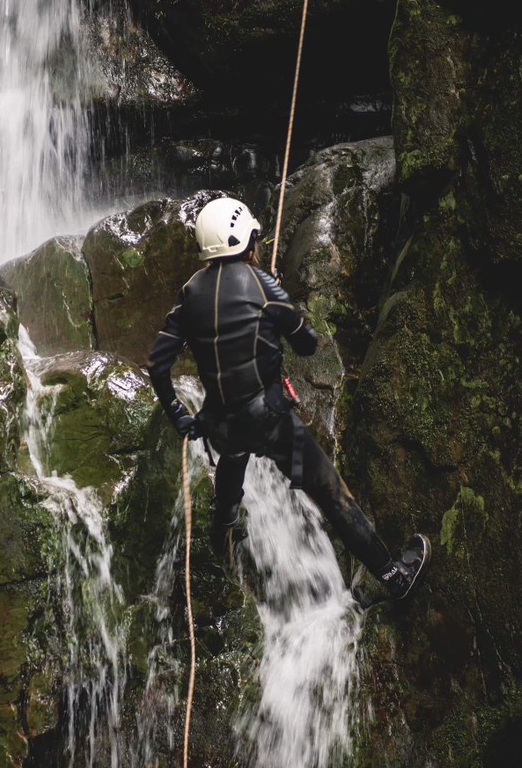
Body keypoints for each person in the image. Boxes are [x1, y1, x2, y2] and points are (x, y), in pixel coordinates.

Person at [147, 196, 430, 605]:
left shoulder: (189, 293)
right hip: (271, 423)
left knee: (234, 454)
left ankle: (223, 534)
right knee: (332, 493)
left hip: (223, 428)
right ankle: (394, 577)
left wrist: (178, 415)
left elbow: (158, 365)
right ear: (243, 240)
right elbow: (308, 343)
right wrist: (279, 305)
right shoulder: (262, 284)